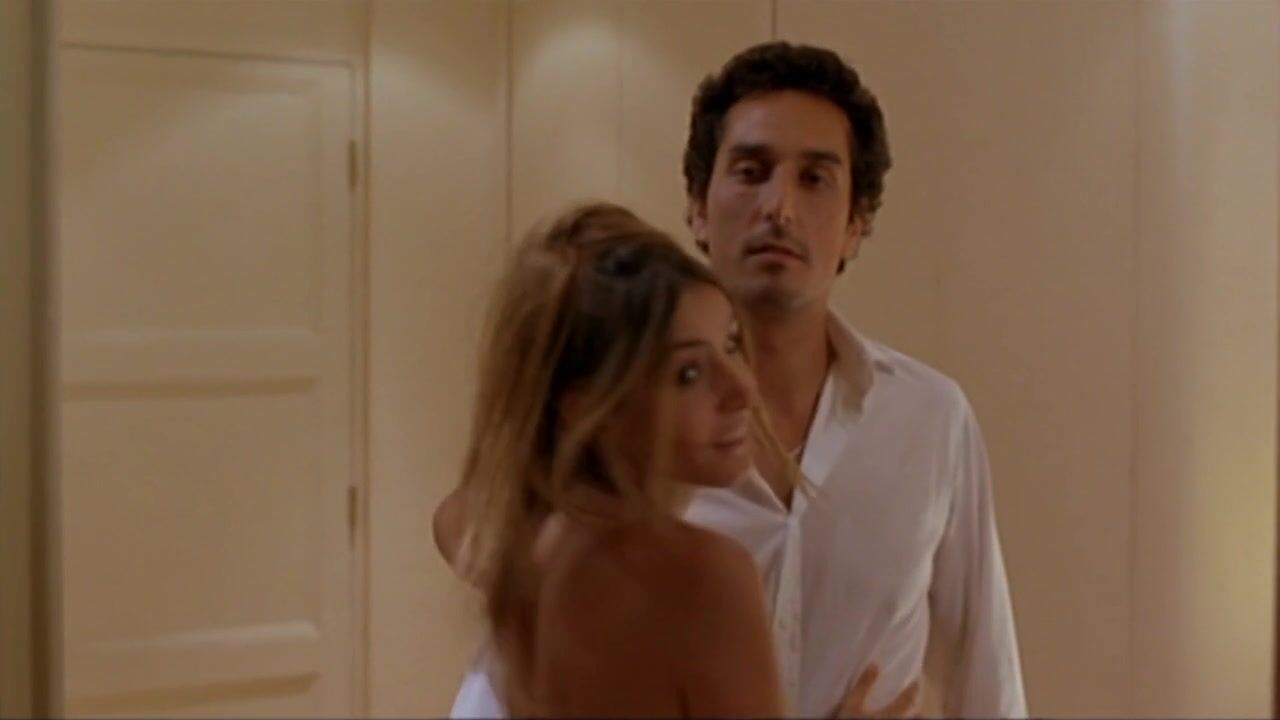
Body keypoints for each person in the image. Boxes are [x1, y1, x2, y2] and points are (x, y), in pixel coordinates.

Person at [447, 40, 1027, 718]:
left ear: (857, 224)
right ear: (698, 204)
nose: (779, 207)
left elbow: (987, 671)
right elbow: (478, 527)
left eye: (815, 179)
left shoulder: (929, 418)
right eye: (751, 171)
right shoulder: (626, 442)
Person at [441, 201, 802, 716]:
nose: (742, 388)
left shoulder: (525, 549)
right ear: (590, 404)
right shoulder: (703, 579)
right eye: (689, 375)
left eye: (730, 344)